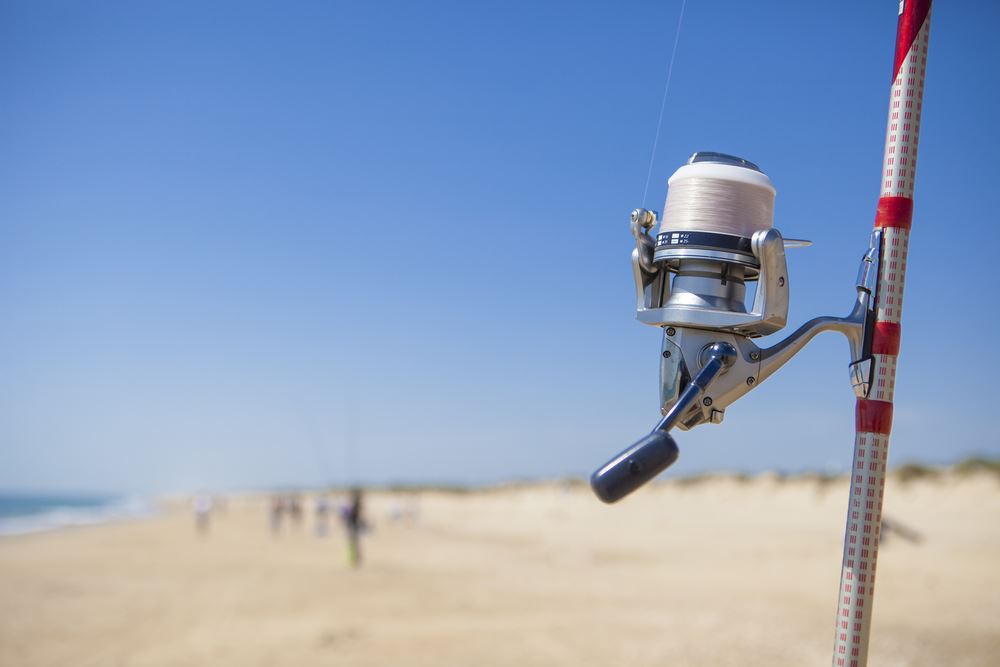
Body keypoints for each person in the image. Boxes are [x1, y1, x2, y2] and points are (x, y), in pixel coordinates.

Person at [340, 488, 365, 567]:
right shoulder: (356, 507)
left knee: (352, 543)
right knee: (354, 543)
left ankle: (353, 558)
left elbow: (349, 517)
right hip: (354, 526)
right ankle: (354, 558)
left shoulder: (354, 507)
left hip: (352, 526)